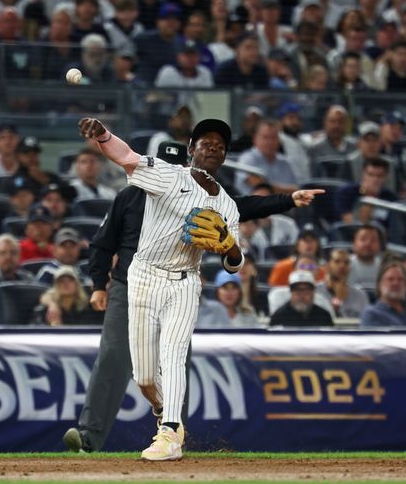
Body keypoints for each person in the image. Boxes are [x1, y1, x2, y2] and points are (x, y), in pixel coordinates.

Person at [63, 140, 322, 454]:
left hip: (176, 286)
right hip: (129, 286)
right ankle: (89, 438)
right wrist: (98, 285)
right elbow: (103, 243)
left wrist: (288, 201)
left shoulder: (193, 197)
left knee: (175, 358)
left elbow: (242, 206)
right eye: (165, 165)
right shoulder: (130, 196)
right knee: (115, 358)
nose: (171, 170)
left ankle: (173, 434)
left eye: (176, 165)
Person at [76, 115, 246, 461]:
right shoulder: (168, 175)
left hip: (185, 281)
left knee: (174, 353)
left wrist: (229, 245)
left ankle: (170, 431)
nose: (213, 147)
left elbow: (235, 263)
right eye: (205, 142)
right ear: (191, 150)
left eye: (220, 145)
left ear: (225, 156)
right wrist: (104, 135)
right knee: (144, 376)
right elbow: (127, 157)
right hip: (144, 276)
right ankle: (164, 410)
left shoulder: (227, 205)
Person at [234, 120, 297, 195]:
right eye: (265, 137)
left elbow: (295, 190)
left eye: (273, 137)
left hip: (283, 205)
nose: (270, 142)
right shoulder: (247, 159)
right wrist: (283, 190)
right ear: (255, 139)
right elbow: (259, 187)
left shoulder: (285, 162)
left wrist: (268, 187)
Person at [360, 260, 406, 328]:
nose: (395, 283)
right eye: (390, 279)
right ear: (379, 285)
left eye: (400, 279)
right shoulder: (372, 315)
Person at [335, 157, 398, 226]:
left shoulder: (391, 198)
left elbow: (393, 227)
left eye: (379, 176)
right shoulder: (346, 193)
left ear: (385, 177)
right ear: (363, 175)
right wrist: (369, 198)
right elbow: (351, 223)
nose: (375, 179)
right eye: (370, 175)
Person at [35, 265, 103, 326]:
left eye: (70, 280)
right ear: (56, 286)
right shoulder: (46, 310)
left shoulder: (89, 308)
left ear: (77, 284)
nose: (66, 284)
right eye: (61, 281)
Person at [0, 233, 34, 306]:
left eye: (13, 253)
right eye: (3, 253)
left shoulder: (28, 279)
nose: (8, 257)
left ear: (19, 257)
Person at [315, 247, 369, 318]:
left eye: (346, 263)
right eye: (337, 261)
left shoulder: (360, 296)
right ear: (328, 265)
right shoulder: (315, 291)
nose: (342, 266)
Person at [269, 270, 333, 327]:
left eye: (306, 290)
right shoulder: (279, 317)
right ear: (291, 292)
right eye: (297, 290)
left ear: (313, 292)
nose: (301, 295)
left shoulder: (323, 316)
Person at [348, 224, 383, 288]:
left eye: (373, 240)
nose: (368, 243)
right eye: (363, 239)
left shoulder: (385, 267)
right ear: (354, 244)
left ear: (379, 246)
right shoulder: (344, 264)